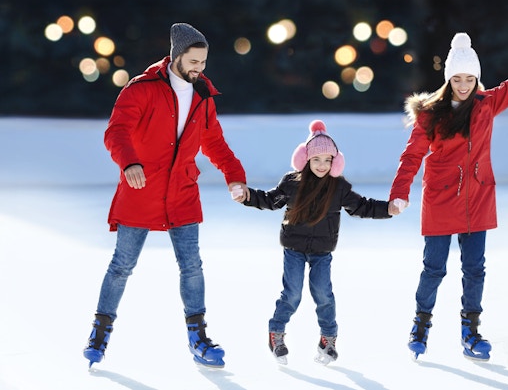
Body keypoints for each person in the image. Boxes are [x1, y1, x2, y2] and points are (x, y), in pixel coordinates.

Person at [388, 31, 508, 361]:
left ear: (477, 78)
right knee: (434, 269)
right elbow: (412, 156)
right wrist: (399, 192)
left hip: (477, 197)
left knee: (475, 270)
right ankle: (420, 326)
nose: (463, 85)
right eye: (457, 78)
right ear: (448, 79)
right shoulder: (431, 113)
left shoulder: (487, 105)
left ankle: (471, 332)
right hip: (441, 200)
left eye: (469, 78)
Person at [83, 22, 249, 369]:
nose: (199, 69)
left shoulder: (203, 95)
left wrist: (235, 177)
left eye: (203, 63)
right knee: (122, 266)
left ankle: (198, 337)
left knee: (192, 267)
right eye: (193, 62)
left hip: (182, 193)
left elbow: (214, 143)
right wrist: (129, 163)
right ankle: (100, 332)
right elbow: (117, 131)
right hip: (141, 190)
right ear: (176, 56)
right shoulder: (142, 89)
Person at [235, 120, 394, 366]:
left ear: (335, 162)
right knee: (293, 294)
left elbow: (362, 206)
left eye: (328, 160)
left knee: (323, 295)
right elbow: (269, 200)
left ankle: (327, 340)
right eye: (317, 159)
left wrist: (388, 209)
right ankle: (276, 333)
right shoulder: (292, 182)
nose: (322, 165)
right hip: (294, 249)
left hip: (322, 251)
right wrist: (247, 196)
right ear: (306, 159)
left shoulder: (338, 187)